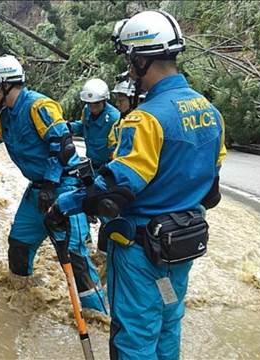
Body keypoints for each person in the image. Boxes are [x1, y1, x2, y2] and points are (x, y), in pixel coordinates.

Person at [46, 10, 227, 359]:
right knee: (168, 322)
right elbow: (212, 191)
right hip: (182, 245)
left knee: (134, 336)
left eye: (131, 61)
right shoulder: (210, 112)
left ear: (142, 59)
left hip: (141, 252)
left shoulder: (144, 120)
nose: (130, 70)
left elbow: (114, 192)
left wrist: (64, 205)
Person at [0, 55, 107, 313]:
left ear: (4, 83)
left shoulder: (39, 106)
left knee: (75, 257)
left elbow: (63, 145)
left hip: (64, 187)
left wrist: (50, 184)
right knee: (19, 246)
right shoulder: (5, 118)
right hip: (38, 190)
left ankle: (99, 317)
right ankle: (22, 305)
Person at [71, 78, 121, 170]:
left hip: (106, 168)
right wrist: (69, 127)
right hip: (90, 164)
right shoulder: (86, 110)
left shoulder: (114, 119)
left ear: (104, 100)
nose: (92, 108)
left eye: (96, 104)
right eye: (89, 104)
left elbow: (118, 150)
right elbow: (82, 125)